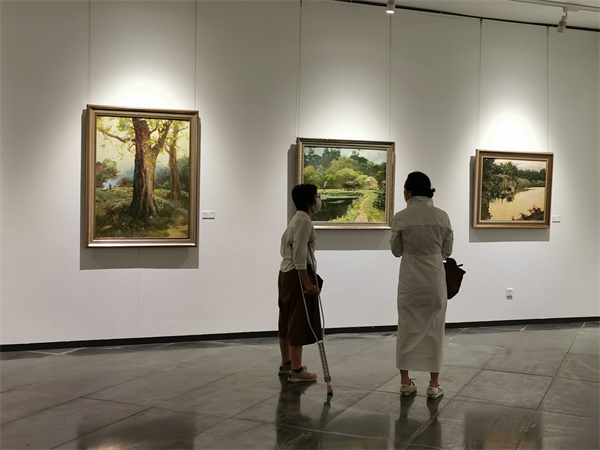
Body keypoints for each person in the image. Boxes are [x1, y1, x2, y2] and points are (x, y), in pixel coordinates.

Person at [390, 172, 453, 399]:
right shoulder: (442, 216)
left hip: (410, 278)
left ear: (408, 192)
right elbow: (447, 251)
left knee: (406, 328)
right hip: (434, 278)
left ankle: (405, 382)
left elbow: (396, 251)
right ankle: (434, 385)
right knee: (435, 329)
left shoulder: (401, 217)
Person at [278, 184, 323, 382]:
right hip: (296, 275)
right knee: (297, 320)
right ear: (309, 200)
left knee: (286, 318)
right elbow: (299, 254)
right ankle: (296, 371)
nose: (319, 199)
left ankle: (287, 363)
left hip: (286, 273)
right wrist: (307, 283)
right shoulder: (304, 221)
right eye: (316, 196)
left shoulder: (296, 219)